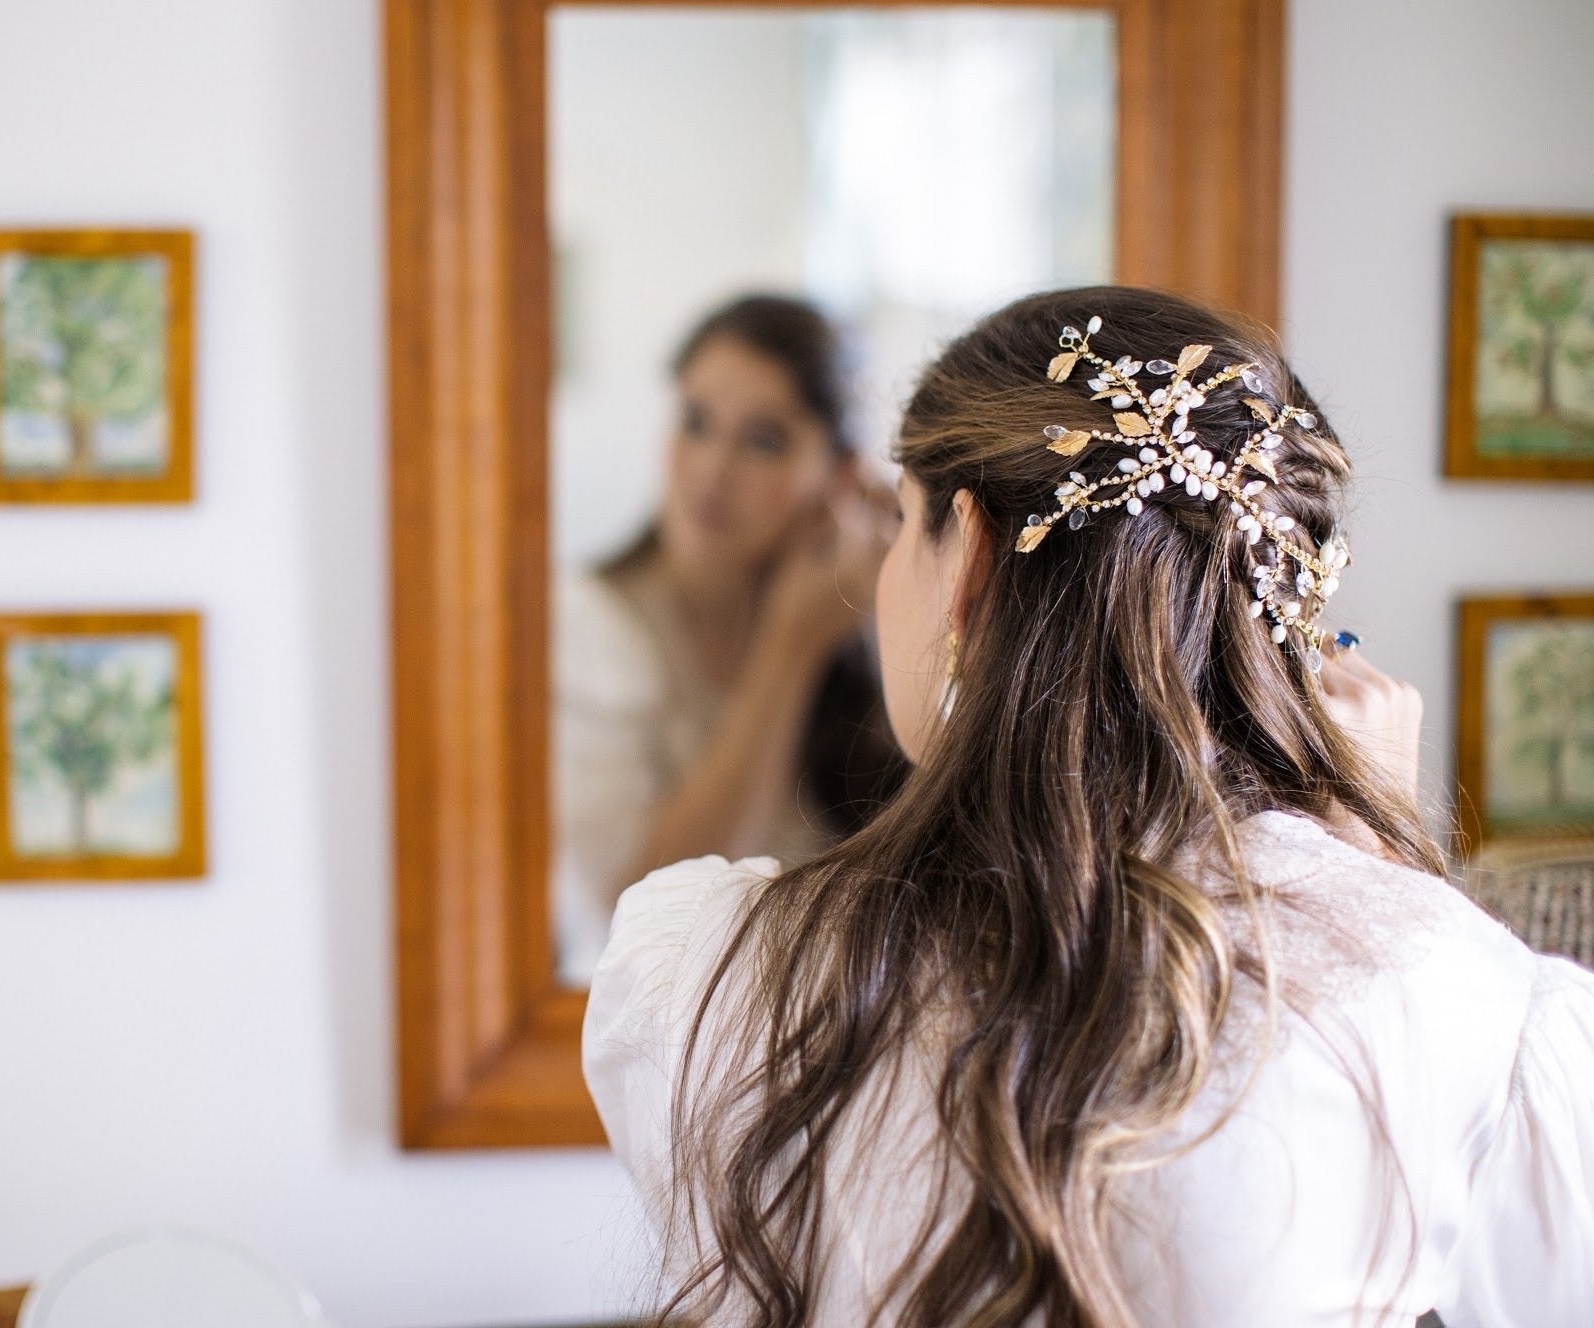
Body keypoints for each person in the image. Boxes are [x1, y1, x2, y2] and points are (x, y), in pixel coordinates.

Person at [584, 286, 1594, 1325]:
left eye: (899, 526)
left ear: (967, 556)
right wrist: (1383, 877)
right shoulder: (1459, 997)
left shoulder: (711, 975)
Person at [552, 295, 905, 985]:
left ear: (839, 476)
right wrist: (789, 652)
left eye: (764, 441)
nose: (712, 470)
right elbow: (626, 917)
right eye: (696, 422)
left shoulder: (857, 624)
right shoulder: (590, 624)